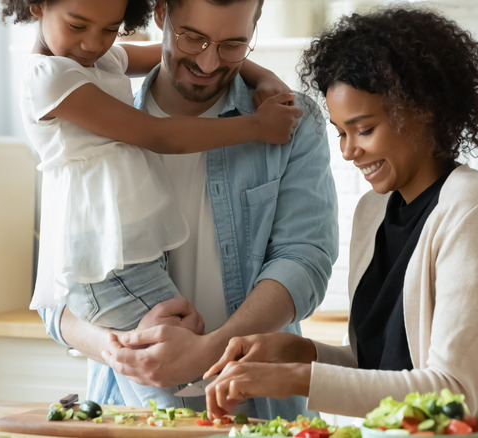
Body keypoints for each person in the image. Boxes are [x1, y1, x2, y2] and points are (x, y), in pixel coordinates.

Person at [202, 6, 478, 437]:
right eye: (341, 132)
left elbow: (450, 395)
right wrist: (299, 353)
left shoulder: (476, 211)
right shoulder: (373, 213)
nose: (348, 151)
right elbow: (380, 369)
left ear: (425, 110)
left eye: (364, 129)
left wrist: (296, 379)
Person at [38, 0, 339, 420]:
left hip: (265, 410)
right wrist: (123, 347)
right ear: (161, 14)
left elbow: (305, 261)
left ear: (255, 29)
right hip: (128, 407)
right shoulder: (89, 122)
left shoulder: (291, 120)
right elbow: (59, 296)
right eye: (192, 37)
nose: (208, 61)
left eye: (233, 44)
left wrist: (206, 351)